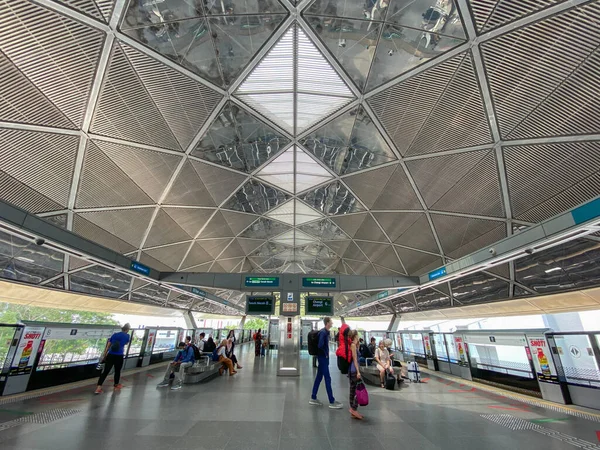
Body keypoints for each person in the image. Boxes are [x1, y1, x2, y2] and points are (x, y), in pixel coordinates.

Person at [310, 317, 343, 409]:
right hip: (323, 358)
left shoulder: (324, 332)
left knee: (319, 377)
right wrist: (325, 354)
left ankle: (313, 397)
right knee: (327, 378)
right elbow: (320, 345)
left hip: (322, 358)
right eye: (331, 322)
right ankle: (331, 401)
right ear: (327, 323)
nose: (332, 323)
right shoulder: (324, 333)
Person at [95, 323, 131, 394]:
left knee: (105, 371)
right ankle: (116, 386)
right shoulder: (127, 336)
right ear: (127, 329)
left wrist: (105, 355)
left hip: (110, 355)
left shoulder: (114, 335)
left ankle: (98, 388)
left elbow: (108, 345)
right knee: (117, 371)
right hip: (119, 355)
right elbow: (126, 343)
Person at [348, 330, 364, 420]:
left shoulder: (354, 345)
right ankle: (354, 408)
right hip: (354, 370)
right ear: (355, 336)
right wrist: (358, 371)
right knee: (360, 390)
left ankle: (352, 409)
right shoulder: (353, 345)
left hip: (351, 370)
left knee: (353, 390)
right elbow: (355, 359)